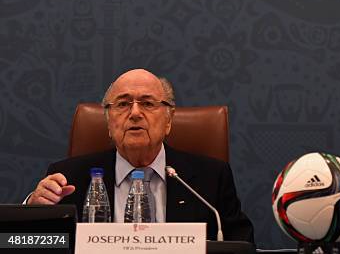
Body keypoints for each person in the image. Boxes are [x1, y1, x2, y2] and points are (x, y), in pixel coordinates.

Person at [27, 68, 254, 242]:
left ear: (168, 120)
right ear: (108, 122)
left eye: (147, 103)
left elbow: (241, 246)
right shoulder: (67, 179)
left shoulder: (211, 178)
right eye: (123, 104)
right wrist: (35, 212)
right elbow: (22, 244)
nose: (135, 113)